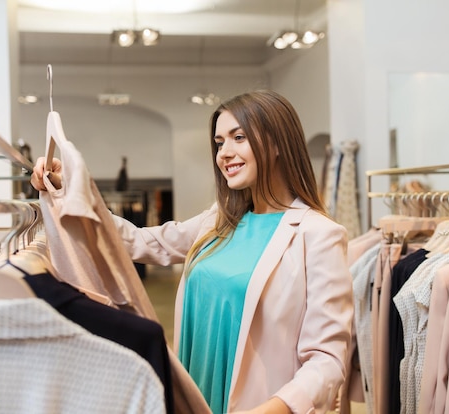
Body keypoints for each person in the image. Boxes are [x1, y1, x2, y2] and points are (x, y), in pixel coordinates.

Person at [31, 90, 354, 414]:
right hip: (193, 397)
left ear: (277, 143)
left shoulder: (319, 236)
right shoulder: (221, 219)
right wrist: (67, 190)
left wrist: (274, 409)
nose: (224, 153)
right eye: (219, 143)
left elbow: (327, 361)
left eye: (238, 137)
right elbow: (145, 242)